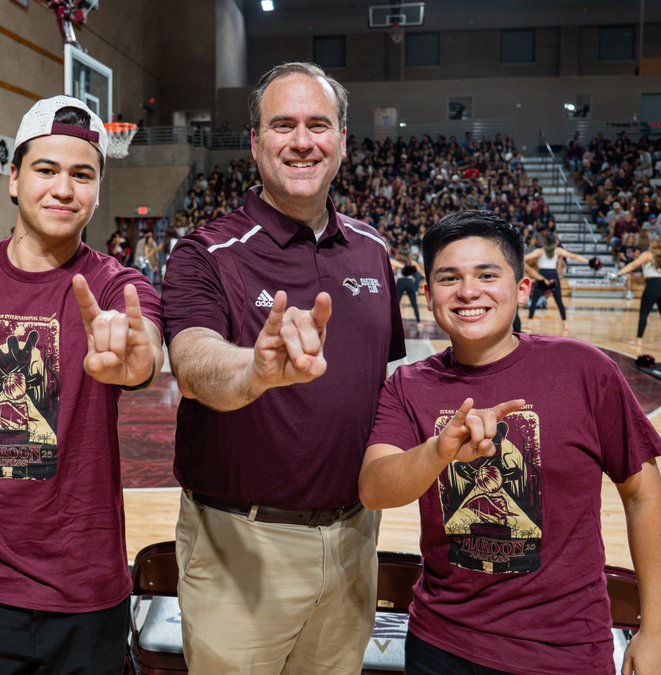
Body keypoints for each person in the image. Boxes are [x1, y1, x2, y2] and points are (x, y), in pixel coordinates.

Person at [161, 62, 406, 673]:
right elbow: (193, 362)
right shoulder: (206, 253)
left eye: (318, 125)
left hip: (355, 540)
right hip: (240, 548)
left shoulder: (373, 251)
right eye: (283, 125)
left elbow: (386, 390)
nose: (302, 141)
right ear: (254, 142)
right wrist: (254, 372)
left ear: (342, 141)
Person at [0, 95, 164, 674]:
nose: (64, 188)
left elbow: (144, 341)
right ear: (13, 179)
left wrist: (138, 361)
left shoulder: (118, 287)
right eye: (46, 170)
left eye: (82, 174)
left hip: (85, 591)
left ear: (98, 191)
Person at [361, 210, 661, 675]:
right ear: (428, 296)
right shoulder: (408, 385)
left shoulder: (583, 369)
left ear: (522, 288)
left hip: (566, 649)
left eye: (487, 275)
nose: (468, 291)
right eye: (450, 278)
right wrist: (438, 452)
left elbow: (643, 495)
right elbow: (374, 489)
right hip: (442, 645)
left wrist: (657, 631)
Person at [617, 236, 661, 352]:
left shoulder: (648, 255)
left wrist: (619, 273)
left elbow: (634, 265)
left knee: (644, 313)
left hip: (652, 285)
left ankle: (638, 340)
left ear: (653, 244)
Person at [524, 233, 587, 325]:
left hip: (542, 274)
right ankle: (565, 324)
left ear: (544, 242)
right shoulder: (558, 251)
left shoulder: (540, 251)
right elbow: (574, 256)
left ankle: (529, 323)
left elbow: (524, 258)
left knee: (534, 300)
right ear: (554, 242)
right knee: (559, 301)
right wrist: (588, 261)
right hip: (553, 275)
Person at [391, 246, 422, 323]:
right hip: (409, 282)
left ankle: (392, 322)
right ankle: (419, 323)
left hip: (401, 283)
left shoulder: (397, 262)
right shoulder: (412, 262)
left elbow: (391, 271)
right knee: (414, 303)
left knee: (396, 304)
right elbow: (420, 272)